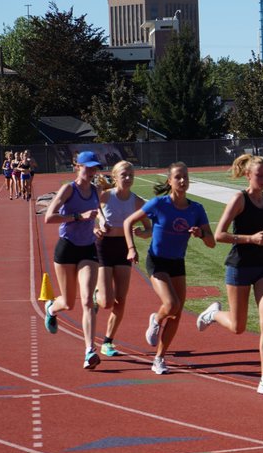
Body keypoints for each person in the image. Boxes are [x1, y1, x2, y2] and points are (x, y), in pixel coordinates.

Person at [197, 154, 263, 395]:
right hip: (239, 266)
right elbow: (219, 234)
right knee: (238, 326)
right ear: (248, 175)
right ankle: (214, 314)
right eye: (260, 175)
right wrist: (250, 239)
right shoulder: (239, 199)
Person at [123, 162, 215, 375]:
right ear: (169, 181)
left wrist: (200, 234)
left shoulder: (196, 209)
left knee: (176, 314)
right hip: (157, 261)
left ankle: (159, 358)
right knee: (171, 304)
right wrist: (131, 248)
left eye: (185, 177)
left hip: (177, 263)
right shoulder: (158, 204)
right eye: (178, 177)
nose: (182, 181)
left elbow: (211, 242)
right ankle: (155, 318)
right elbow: (128, 222)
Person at [43, 150, 105, 371]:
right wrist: (78, 217)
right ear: (77, 167)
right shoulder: (68, 189)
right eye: (87, 167)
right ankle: (51, 309)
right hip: (67, 248)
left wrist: (97, 227)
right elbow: (49, 217)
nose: (91, 171)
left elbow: (96, 216)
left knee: (88, 300)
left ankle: (90, 350)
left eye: (94, 167)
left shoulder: (97, 190)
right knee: (68, 303)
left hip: (88, 248)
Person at [93, 160, 151, 358]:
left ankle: (108, 341)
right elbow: (90, 219)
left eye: (130, 175)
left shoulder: (137, 201)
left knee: (121, 299)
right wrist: (96, 228)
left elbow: (149, 227)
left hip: (124, 248)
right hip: (103, 247)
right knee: (106, 302)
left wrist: (143, 233)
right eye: (124, 175)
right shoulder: (104, 196)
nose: (127, 179)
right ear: (115, 177)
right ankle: (96, 295)